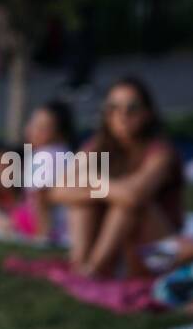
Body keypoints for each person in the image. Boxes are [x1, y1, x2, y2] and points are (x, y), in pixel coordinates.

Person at [48, 76, 184, 278]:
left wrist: (92, 184)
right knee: (82, 203)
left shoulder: (160, 152)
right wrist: (103, 192)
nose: (122, 115)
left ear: (147, 113)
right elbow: (58, 191)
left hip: (158, 250)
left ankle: (93, 271)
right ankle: (82, 266)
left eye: (132, 108)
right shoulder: (98, 145)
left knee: (127, 205)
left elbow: (134, 196)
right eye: (113, 108)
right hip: (118, 244)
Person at [0, 101, 76, 243]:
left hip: (54, 232)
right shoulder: (65, 152)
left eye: (41, 127)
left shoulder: (45, 156)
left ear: (60, 133)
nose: (31, 130)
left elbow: (41, 199)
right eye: (32, 123)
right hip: (60, 228)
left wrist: (41, 238)